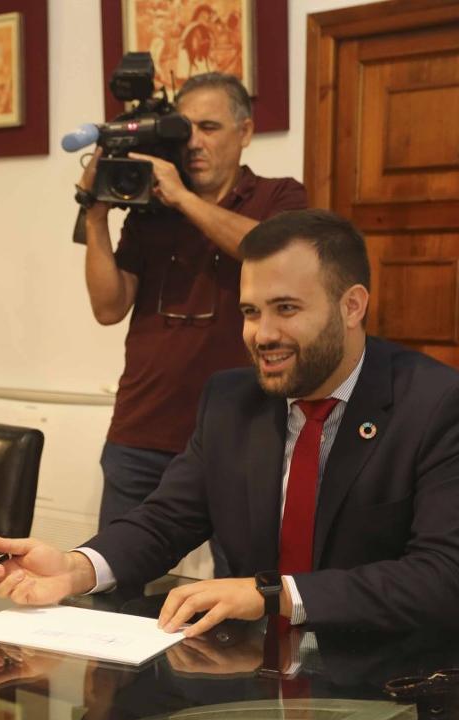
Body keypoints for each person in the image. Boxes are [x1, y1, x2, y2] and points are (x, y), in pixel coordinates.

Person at [0, 209, 459, 633]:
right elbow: (166, 520)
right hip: (246, 669)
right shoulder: (232, 400)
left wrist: (273, 595)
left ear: (352, 307)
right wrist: (76, 567)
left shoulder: (444, 406)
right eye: (251, 312)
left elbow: (447, 580)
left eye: (286, 309)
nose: (262, 334)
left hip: (386, 678)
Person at [78, 73, 307, 558]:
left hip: (245, 433)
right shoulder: (151, 210)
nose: (194, 143)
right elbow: (108, 307)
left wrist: (183, 198)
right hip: (143, 429)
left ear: (245, 132)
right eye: (185, 129)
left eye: (210, 127)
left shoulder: (278, 197)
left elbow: (274, 254)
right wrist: (95, 216)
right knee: (114, 576)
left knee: (243, 587)